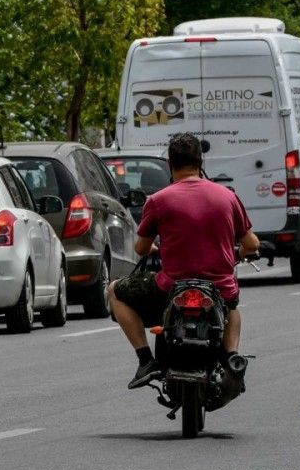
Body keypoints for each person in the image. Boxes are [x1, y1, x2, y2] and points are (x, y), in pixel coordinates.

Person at [108, 133, 260, 389]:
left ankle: (146, 360)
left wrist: (156, 248)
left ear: (170, 164)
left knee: (114, 291)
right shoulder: (227, 196)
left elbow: (141, 247)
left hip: (170, 289)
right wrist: (241, 253)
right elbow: (252, 244)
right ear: (201, 162)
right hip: (219, 288)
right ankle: (231, 356)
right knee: (232, 307)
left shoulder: (157, 200)